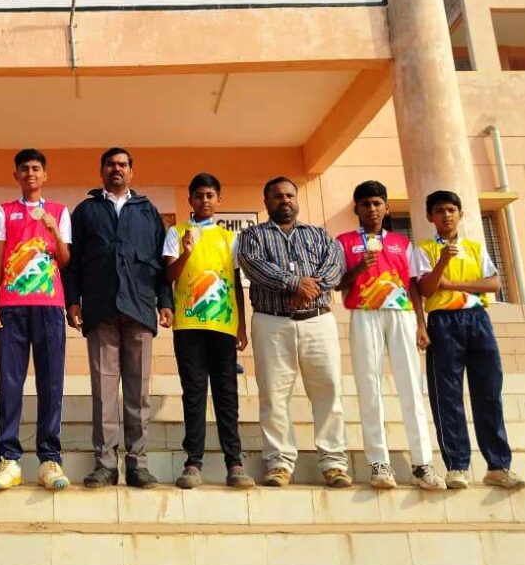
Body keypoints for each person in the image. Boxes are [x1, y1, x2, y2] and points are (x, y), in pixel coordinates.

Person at [63, 147, 173, 489]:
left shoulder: (147, 211)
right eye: (110, 164)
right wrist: (72, 301)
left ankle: (138, 464)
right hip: (100, 309)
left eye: (123, 164)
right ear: (101, 171)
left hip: (139, 308)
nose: (117, 169)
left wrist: (165, 301)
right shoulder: (86, 211)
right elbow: (73, 262)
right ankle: (105, 464)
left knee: (138, 392)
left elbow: (162, 263)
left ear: (131, 171)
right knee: (103, 391)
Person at [236, 176, 350, 488]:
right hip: (272, 322)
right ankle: (279, 463)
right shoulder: (252, 235)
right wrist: (294, 284)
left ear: (296, 200)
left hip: (318, 321)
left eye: (289, 195)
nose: (284, 200)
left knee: (328, 390)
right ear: (266, 202)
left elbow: (334, 268)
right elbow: (253, 265)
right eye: (277, 196)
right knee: (273, 394)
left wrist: (308, 291)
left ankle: (333, 462)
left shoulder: (319, 234)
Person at [336, 181, 446, 490]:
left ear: (386, 208)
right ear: (356, 209)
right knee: (369, 386)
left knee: (411, 386)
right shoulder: (344, 242)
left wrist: (421, 324)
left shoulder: (401, 242)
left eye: (377, 203)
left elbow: (413, 285)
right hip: (363, 314)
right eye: (365, 204)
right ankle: (378, 463)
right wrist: (359, 268)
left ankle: (422, 463)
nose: (372, 209)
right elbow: (337, 282)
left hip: (401, 315)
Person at [414, 190, 525, 489]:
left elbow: (494, 283)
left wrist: (454, 284)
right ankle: (457, 465)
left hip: (477, 319)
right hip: (443, 321)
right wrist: (441, 264)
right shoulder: (424, 250)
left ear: (460, 214)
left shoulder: (475, 247)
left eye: (451, 210)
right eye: (440, 211)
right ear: (430, 217)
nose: (446, 215)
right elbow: (426, 289)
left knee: (488, 391)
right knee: (447, 394)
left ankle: (498, 465)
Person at [0, 149, 72, 491]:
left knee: (51, 382)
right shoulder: (4, 211)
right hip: (11, 305)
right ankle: (8, 457)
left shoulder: (59, 212)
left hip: (49, 305)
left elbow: (65, 259)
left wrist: (54, 231)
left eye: (36, 168)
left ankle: (50, 458)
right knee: (9, 382)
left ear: (45, 175)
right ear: (17, 175)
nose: (31, 173)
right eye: (25, 169)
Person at [163, 173, 254, 490]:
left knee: (226, 393)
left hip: (223, 325)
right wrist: (186, 253)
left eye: (210, 195)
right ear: (190, 199)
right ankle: (193, 463)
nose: (204, 200)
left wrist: (241, 325)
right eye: (199, 195)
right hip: (188, 325)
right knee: (194, 392)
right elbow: (168, 276)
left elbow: (237, 282)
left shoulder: (230, 238)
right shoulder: (176, 233)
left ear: (218, 199)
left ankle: (235, 463)